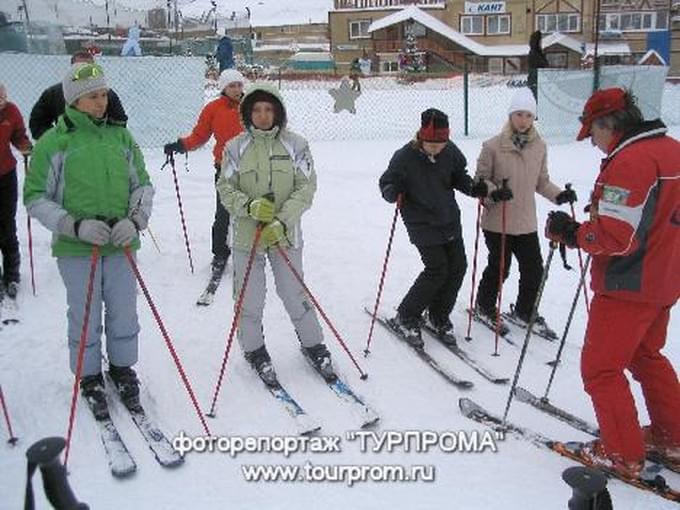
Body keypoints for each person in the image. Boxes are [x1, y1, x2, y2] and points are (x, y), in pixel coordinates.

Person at [545, 87, 680, 478]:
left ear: (610, 124)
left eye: (593, 133)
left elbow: (616, 237)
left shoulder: (631, 161)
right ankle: (672, 437)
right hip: (664, 277)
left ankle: (622, 454)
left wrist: (574, 232)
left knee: (601, 369)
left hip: (629, 284)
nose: (593, 143)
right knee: (645, 355)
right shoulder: (670, 150)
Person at [23, 62, 154, 421]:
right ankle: (90, 377)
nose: (101, 103)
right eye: (92, 97)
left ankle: (123, 369)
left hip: (121, 243)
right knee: (85, 313)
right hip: (77, 247)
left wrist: (135, 220)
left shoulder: (121, 137)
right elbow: (35, 196)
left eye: (104, 95)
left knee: (124, 310)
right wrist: (73, 226)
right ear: (74, 101)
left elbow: (142, 185)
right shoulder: (54, 142)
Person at [216, 83, 332, 385]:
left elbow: (305, 188)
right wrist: (249, 206)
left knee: (294, 292)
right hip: (246, 236)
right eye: (256, 109)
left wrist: (282, 221)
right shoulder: (234, 147)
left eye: (269, 109)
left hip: (284, 233)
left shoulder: (296, 145)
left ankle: (313, 344)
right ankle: (254, 349)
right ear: (247, 113)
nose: (263, 115)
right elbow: (225, 189)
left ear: (278, 112)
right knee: (249, 297)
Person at [378, 108, 489, 346]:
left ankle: (438, 315)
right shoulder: (405, 156)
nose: (436, 148)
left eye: (441, 143)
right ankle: (406, 316)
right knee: (437, 269)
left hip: (448, 217)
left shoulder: (450, 152)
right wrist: (391, 192)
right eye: (431, 144)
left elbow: (459, 177)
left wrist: (473, 188)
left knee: (458, 266)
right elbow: (387, 181)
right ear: (421, 137)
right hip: (420, 221)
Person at [473, 88, 575, 339]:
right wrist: (494, 192)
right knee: (500, 267)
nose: (523, 120)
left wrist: (559, 195)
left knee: (534, 270)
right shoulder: (493, 146)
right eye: (519, 114)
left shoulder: (539, 147)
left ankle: (525, 310)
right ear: (510, 116)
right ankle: (484, 306)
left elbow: (541, 181)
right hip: (498, 220)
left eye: (529, 115)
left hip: (526, 221)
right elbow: (480, 180)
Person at [163, 69, 246, 273]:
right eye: (231, 86)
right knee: (224, 213)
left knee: (252, 212)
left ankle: (253, 252)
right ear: (223, 88)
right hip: (225, 168)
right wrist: (180, 145)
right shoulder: (213, 109)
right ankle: (220, 253)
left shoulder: (252, 105)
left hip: (252, 168)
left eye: (239, 85)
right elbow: (200, 136)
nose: (236, 89)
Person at [29, 51, 127, 141]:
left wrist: (102, 141)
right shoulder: (53, 93)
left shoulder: (107, 94)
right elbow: (37, 123)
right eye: (79, 69)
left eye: (88, 68)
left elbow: (119, 123)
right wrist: (55, 140)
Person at [0, 83, 32, 299]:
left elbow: (19, 134)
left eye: (1, 97)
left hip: (5, 175)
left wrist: (24, 145)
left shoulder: (11, 111)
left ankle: (12, 275)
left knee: (7, 225)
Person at [527, 30, 549, 102]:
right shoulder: (534, 54)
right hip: (536, 83)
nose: (541, 43)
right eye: (540, 41)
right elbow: (541, 66)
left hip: (541, 83)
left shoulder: (538, 53)